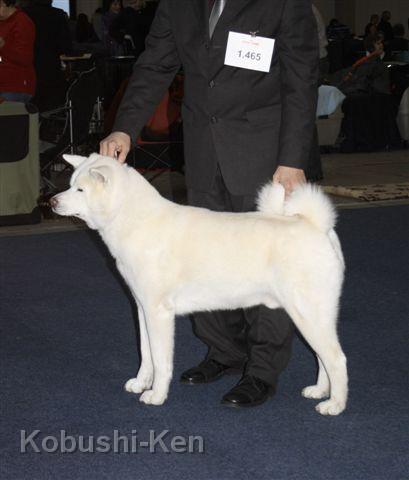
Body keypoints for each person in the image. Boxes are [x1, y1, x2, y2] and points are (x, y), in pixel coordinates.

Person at [100, 0, 319, 408]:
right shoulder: (177, 5)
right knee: (199, 260)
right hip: (202, 149)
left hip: (265, 153)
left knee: (266, 264)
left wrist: (292, 159)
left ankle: (262, 369)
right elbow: (154, 66)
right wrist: (124, 128)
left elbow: (301, 78)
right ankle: (223, 352)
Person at [24, 0, 72, 112]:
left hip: (30, 67)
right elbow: (66, 46)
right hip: (51, 67)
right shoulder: (58, 15)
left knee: (31, 107)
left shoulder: (24, 14)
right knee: (51, 108)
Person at [0, 0, 35, 103]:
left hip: (15, 86)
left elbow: (25, 58)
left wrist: (4, 46)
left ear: (3, 3)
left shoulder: (22, 21)